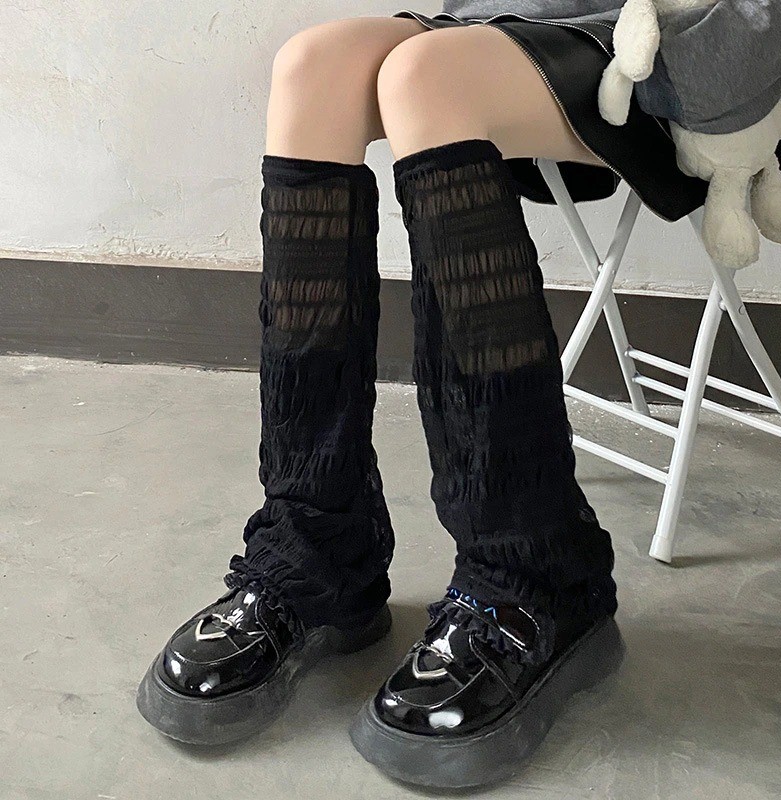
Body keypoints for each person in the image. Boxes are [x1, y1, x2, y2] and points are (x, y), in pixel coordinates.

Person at [136, 1, 716, 789]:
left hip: (704, 31)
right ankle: (315, 543)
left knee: (429, 77)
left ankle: (534, 572)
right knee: (313, 66)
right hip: (534, 15)